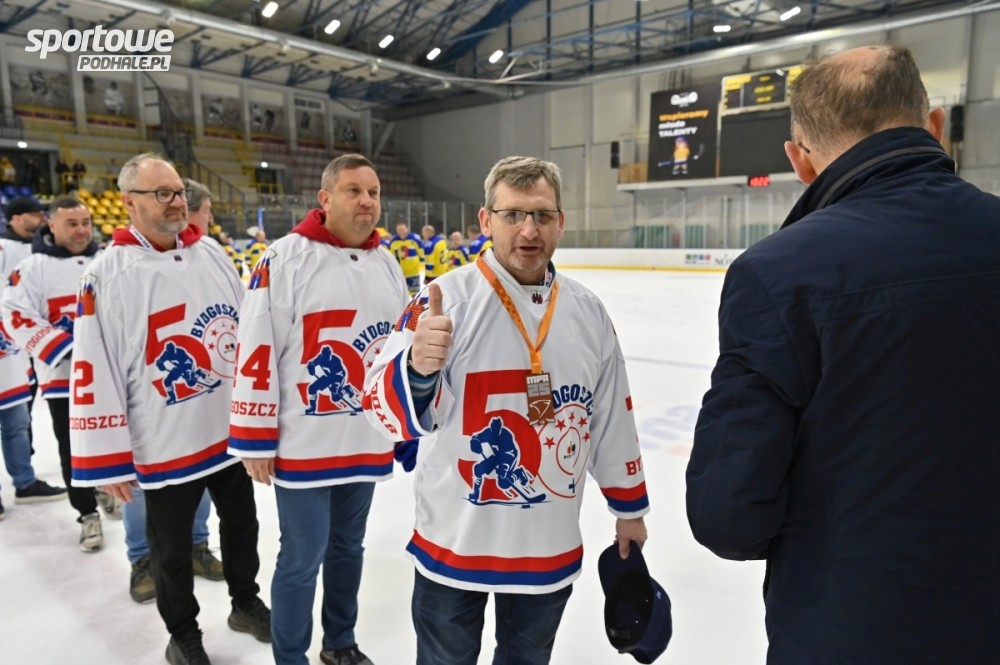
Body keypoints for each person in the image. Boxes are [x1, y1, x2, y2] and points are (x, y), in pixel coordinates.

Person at [686, 45, 1000, 665]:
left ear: (800, 159)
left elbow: (729, 514)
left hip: (852, 627)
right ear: (935, 126)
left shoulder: (778, 274)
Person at [363, 156, 650, 664]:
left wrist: (628, 509)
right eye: (513, 214)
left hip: (546, 544)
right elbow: (379, 412)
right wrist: (416, 368)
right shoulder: (441, 301)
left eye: (542, 215)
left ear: (561, 222)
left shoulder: (588, 312)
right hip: (454, 542)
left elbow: (611, 416)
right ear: (485, 220)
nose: (529, 230)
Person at [69, 153, 270, 664]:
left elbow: (248, 333)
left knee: (242, 527)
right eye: (162, 193)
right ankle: (183, 634)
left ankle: (245, 603)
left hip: (227, 434)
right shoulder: (106, 273)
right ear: (128, 202)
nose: (177, 201)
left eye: (179, 191)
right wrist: (107, 459)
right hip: (163, 441)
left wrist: (260, 417)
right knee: (171, 549)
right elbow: (93, 367)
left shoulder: (213, 255)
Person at [230, 153, 407, 665]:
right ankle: (291, 657)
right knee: (302, 557)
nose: (367, 201)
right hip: (303, 442)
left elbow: (399, 348)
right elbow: (256, 347)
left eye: (373, 192)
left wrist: (404, 424)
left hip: (365, 438)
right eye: (354, 190)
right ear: (325, 199)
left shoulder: (387, 262)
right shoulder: (284, 258)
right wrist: (254, 437)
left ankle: (340, 643)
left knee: (349, 548)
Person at [125, 178, 226, 604]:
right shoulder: (123, 266)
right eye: (207, 213)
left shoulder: (209, 255)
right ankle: (141, 557)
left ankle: (197, 543)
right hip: (153, 403)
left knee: (201, 470)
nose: (208, 221)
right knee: (145, 484)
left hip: (200, 401)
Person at [2, 196, 121, 551]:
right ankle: (87, 514)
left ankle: (109, 488)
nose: (82, 230)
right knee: (73, 451)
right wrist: (70, 348)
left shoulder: (111, 259)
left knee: (115, 440)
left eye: (86, 222)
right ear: (51, 225)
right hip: (63, 380)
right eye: (72, 223)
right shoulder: (32, 267)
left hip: (113, 375)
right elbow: (15, 313)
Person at [388, 222, 423, 295]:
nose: (401, 231)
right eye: (399, 230)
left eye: (402, 229)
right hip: (400, 273)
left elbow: (421, 254)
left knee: (415, 294)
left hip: (413, 272)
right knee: (400, 294)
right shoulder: (393, 241)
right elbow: (391, 256)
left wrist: (421, 266)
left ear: (407, 229)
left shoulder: (415, 239)